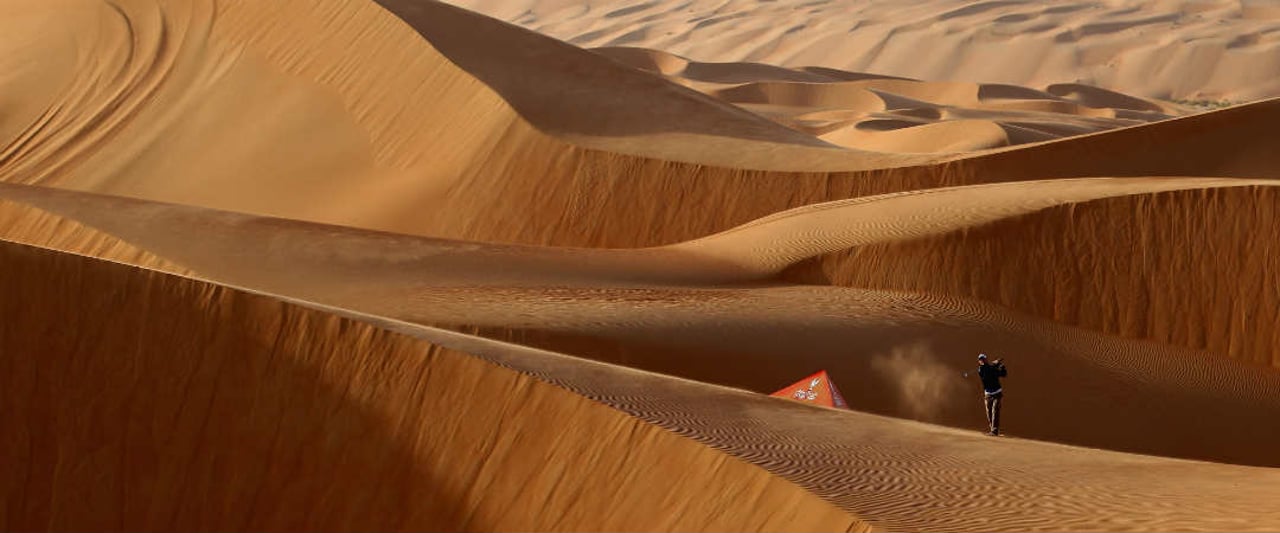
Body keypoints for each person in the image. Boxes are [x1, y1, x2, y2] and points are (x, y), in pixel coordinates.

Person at [975, 353, 1007, 436]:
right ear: (979, 361)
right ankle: (992, 429)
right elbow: (987, 372)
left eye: (983, 359)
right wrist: (995, 365)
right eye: (980, 360)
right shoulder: (980, 370)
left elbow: (1003, 374)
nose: (982, 361)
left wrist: (1001, 366)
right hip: (988, 395)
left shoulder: (992, 368)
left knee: (995, 411)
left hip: (997, 393)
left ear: (986, 360)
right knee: (989, 413)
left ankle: (994, 431)